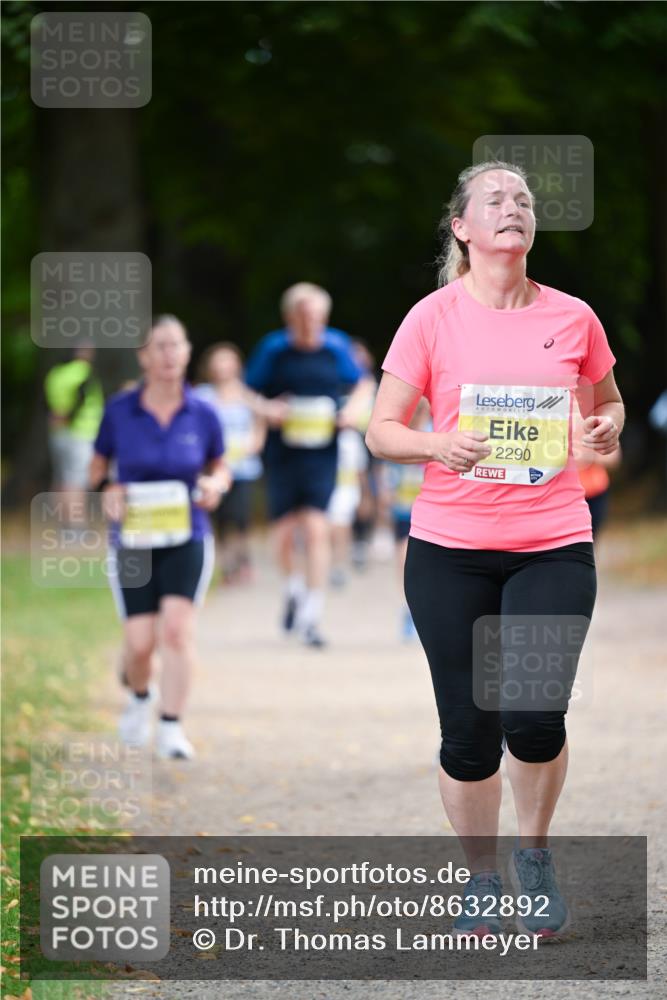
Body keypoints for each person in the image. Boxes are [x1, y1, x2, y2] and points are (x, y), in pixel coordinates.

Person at [366, 161, 624, 938]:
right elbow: (381, 430)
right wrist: (436, 446)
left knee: (534, 718)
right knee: (468, 731)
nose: (512, 209)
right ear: (463, 228)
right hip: (448, 549)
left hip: (552, 542)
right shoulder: (431, 318)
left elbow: (606, 409)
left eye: (523, 200)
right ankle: (481, 877)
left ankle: (534, 858)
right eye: (495, 200)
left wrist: (604, 428)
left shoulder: (574, 317)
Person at [89, 315, 231, 759]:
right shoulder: (120, 411)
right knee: (139, 643)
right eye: (159, 347)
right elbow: (97, 472)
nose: (169, 355)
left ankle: (171, 726)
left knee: (175, 633)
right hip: (132, 540)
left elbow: (220, 466)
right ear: (143, 356)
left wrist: (215, 485)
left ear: (188, 352)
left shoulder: (204, 412)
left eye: (176, 345)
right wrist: (107, 490)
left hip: (187, 535)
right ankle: (138, 697)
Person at [245, 282, 372, 647]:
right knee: (283, 535)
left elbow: (362, 385)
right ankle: (294, 589)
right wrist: (266, 409)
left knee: (317, 528)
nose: (310, 321)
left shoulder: (336, 346)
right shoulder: (273, 348)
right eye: (302, 314)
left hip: (322, 451)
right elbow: (246, 391)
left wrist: (351, 411)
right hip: (283, 452)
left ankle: (312, 616)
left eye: (316, 315)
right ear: (289, 317)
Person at [195, 343, 265, 583]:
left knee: (242, 518)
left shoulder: (246, 393)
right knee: (221, 519)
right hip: (214, 468)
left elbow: (261, 420)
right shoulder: (202, 395)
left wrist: (254, 444)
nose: (223, 366)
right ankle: (227, 567)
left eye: (228, 360)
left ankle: (244, 562)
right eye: (218, 360)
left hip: (243, 468)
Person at [380, 398, 431, 639]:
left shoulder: (436, 432)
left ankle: (419, 610)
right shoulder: (399, 432)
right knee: (403, 557)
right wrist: (384, 491)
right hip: (402, 508)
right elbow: (386, 466)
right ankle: (408, 608)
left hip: (429, 509)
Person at [44, 343, 104, 529]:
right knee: (76, 481)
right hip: (80, 433)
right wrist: (69, 416)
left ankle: (62, 525)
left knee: (61, 479)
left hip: (57, 434)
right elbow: (81, 396)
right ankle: (76, 527)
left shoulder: (55, 374)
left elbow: (48, 403)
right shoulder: (83, 372)